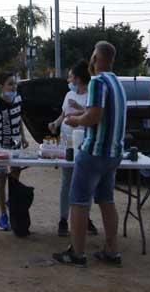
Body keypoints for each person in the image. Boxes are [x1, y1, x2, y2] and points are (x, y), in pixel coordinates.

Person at [53, 41, 127, 268]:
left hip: (93, 152)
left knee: (78, 201)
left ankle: (77, 252)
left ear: (95, 59)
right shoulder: (117, 82)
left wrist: (75, 120)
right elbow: (101, 112)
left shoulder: (97, 82)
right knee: (106, 200)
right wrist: (82, 111)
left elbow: (94, 116)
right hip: (113, 153)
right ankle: (112, 251)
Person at [48, 60, 97, 238]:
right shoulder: (69, 94)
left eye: (71, 76)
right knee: (66, 181)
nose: (69, 80)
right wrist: (55, 123)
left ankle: (86, 219)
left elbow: (94, 115)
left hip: (84, 142)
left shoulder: (92, 95)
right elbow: (64, 114)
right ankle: (63, 219)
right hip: (66, 141)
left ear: (78, 78)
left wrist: (80, 109)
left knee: (86, 183)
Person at [0, 72, 28, 231]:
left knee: (15, 179)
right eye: (10, 84)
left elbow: (19, 119)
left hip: (15, 145)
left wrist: (22, 137)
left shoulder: (18, 100)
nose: (13, 87)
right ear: (1, 87)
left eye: (15, 84)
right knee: (1, 179)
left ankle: (13, 207)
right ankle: (3, 215)